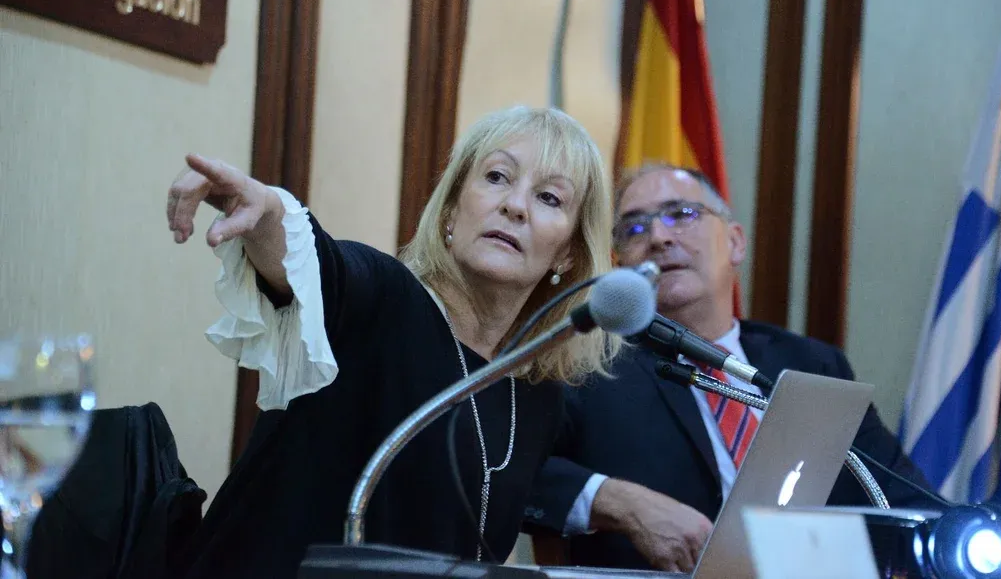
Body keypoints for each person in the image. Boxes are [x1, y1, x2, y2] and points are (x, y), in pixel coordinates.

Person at [165, 106, 618, 578]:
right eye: (497, 176)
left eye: (548, 198)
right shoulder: (385, 299)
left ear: (568, 253)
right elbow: (320, 266)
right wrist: (266, 214)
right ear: (450, 210)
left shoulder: (538, 395)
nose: (515, 205)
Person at [525, 164, 940, 573]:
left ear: (736, 242)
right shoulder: (590, 368)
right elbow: (510, 470)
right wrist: (619, 501)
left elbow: (906, 498)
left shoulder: (812, 364)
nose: (659, 237)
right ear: (619, 266)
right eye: (634, 228)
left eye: (681, 214)